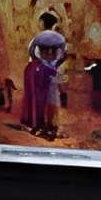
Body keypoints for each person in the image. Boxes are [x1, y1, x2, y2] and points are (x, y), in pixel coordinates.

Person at [22, 11, 69, 139]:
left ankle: (38, 125)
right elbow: (64, 55)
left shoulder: (38, 37)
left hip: (39, 69)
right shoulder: (60, 39)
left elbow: (32, 53)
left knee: (38, 97)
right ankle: (52, 126)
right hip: (53, 70)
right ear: (54, 24)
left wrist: (41, 63)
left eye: (40, 22)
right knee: (53, 98)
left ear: (42, 23)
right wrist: (54, 64)